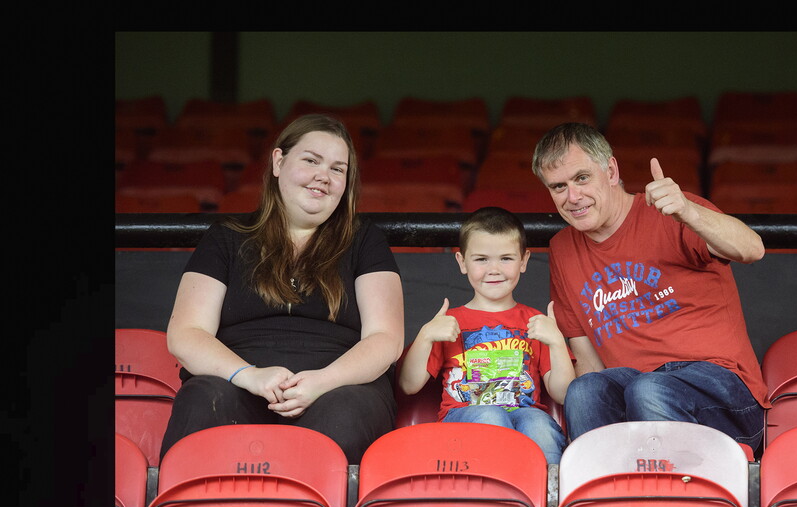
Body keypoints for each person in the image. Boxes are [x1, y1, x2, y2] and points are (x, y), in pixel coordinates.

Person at [159, 114, 404, 464]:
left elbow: (386, 339)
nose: (324, 176)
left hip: (339, 386)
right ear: (278, 161)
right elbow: (186, 334)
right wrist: (250, 376)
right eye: (311, 160)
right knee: (203, 399)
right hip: (239, 382)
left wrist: (321, 382)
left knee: (346, 412)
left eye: (338, 169)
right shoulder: (227, 237)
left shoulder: (365, 240)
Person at [531, 122, 772, 456]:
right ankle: (599, 497)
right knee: (585, 390)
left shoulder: (671, 210)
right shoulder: (563, 249)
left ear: (611, 170)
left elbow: (752, 249)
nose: (573, 197)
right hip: (638, 394)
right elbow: (589, 361)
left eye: (582, 178)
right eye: (559, 186)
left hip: (725, 395)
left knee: (649, 389)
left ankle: (673, 502)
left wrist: (688, 211)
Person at [397, 207, 575, 464]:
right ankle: (498, 498)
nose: (494, 269)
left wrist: (557, 341)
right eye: (481, 259)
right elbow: (408, 385)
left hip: (525, 414)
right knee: (491, 416)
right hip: (464, 416)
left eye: (506, 258)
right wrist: (426, 336)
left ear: (524, 261)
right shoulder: (448, 324)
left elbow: (563, 393)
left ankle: (543, 499)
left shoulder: (537, 323)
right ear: (462, 262)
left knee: (539, 423)